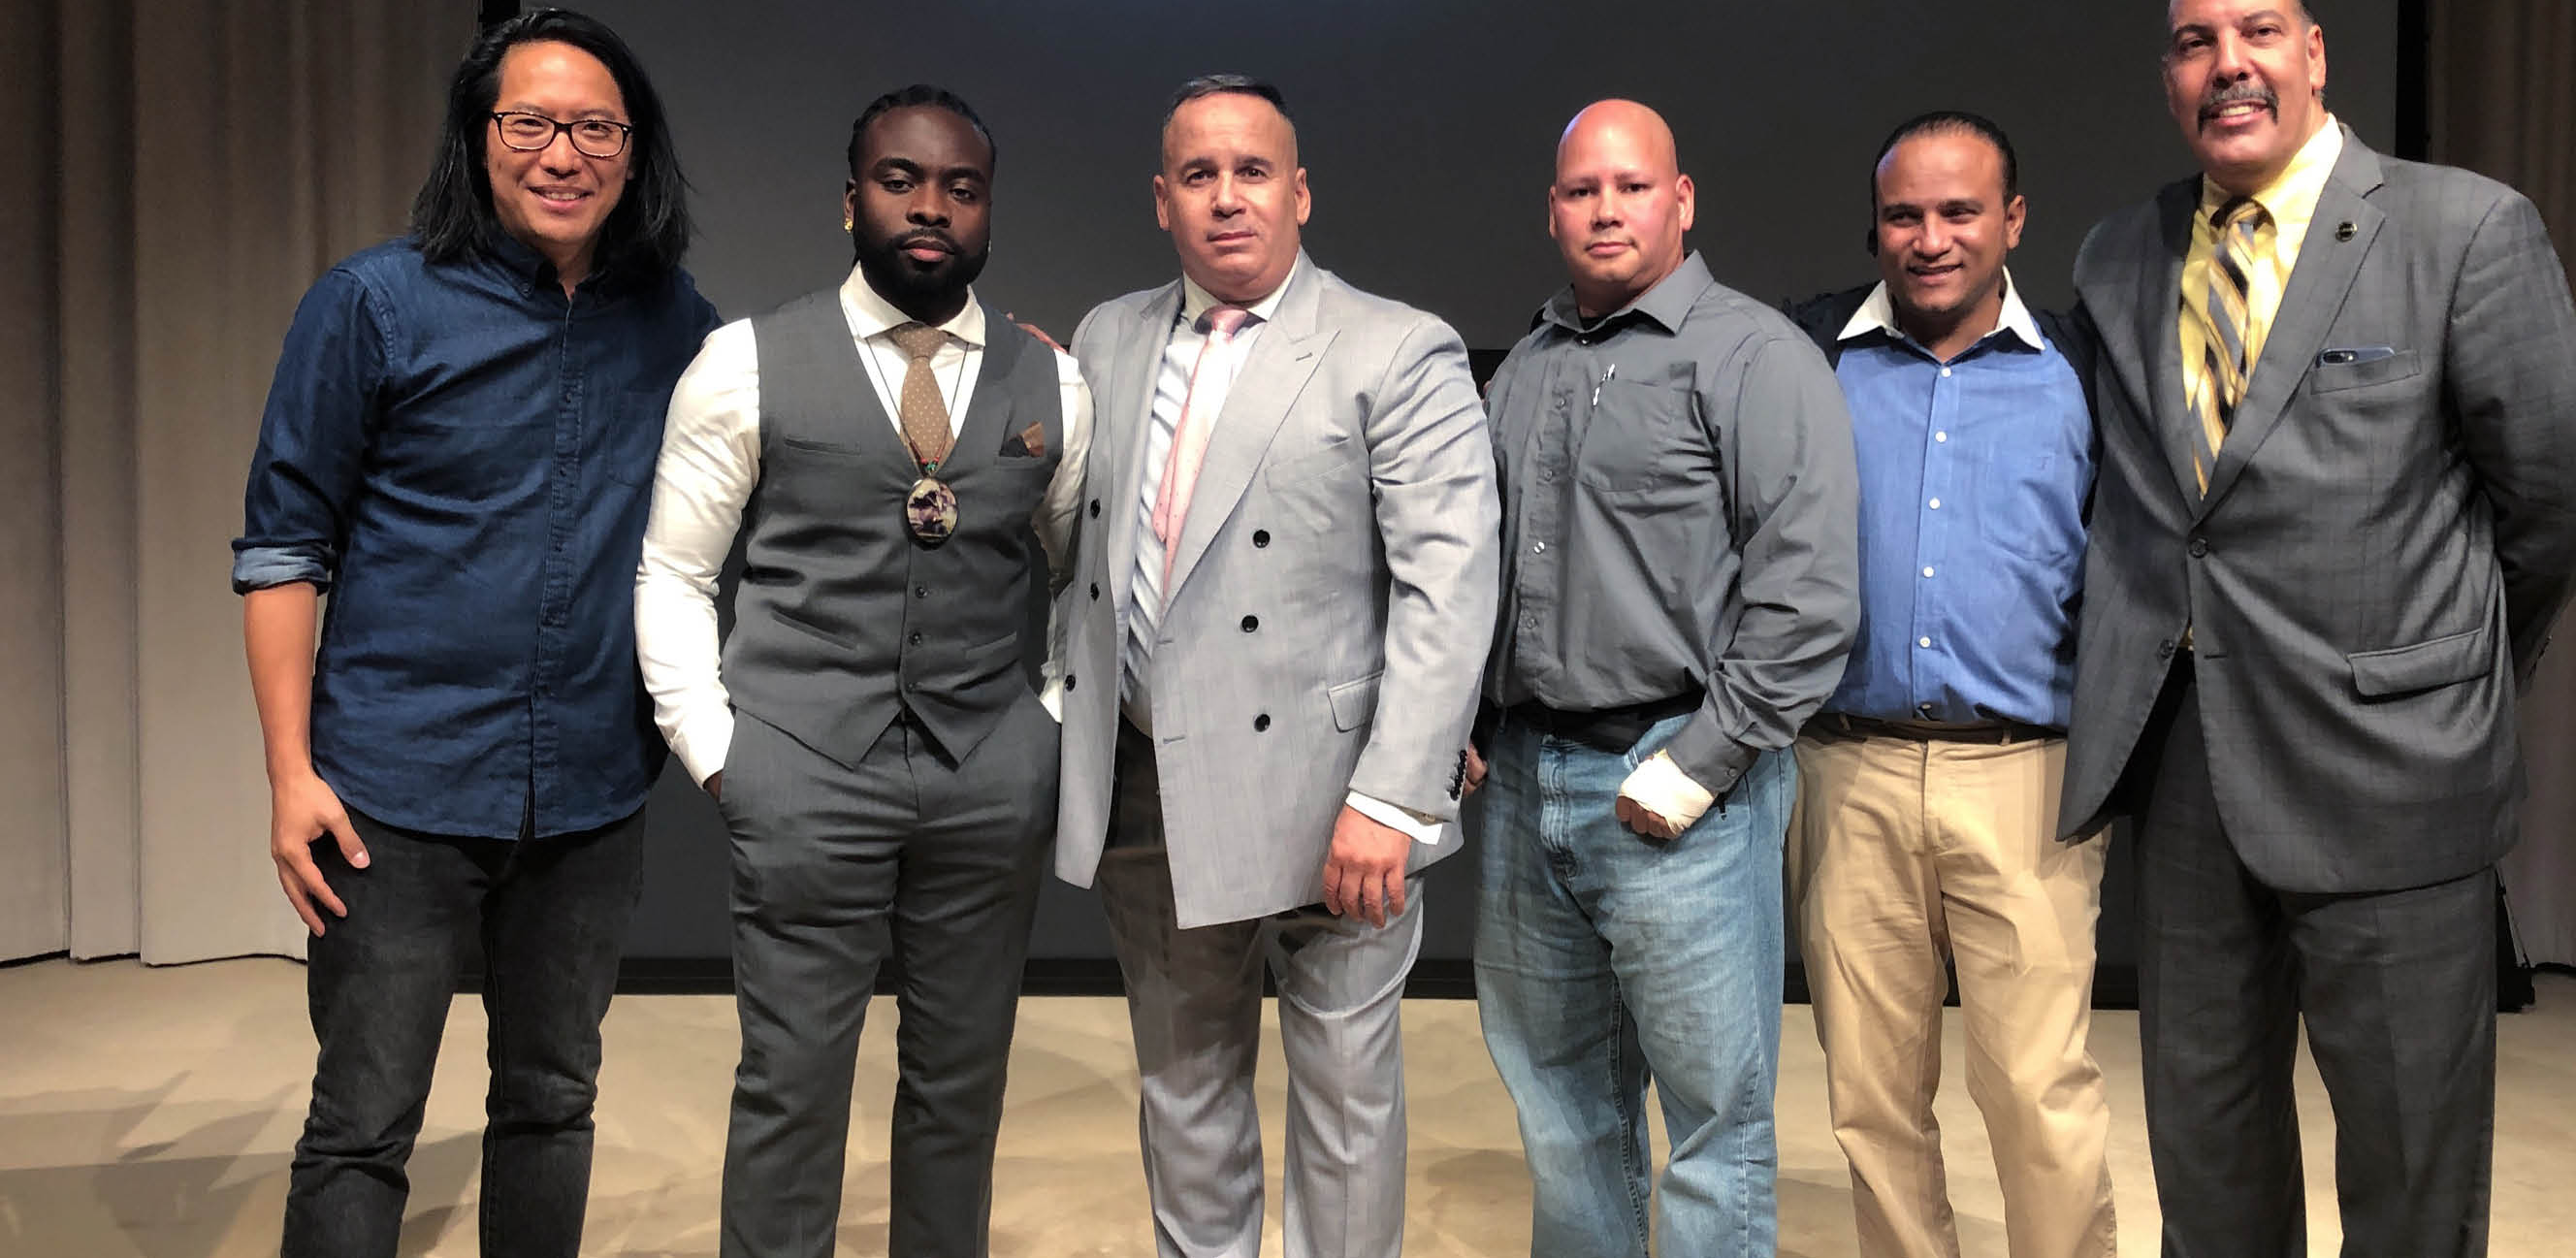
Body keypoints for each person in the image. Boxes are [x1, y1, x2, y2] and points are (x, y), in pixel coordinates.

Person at [2059, 0, 2576, 1256]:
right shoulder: (2118, 255)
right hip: (2192, 774)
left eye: (2258, 32)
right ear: (2170, 80)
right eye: (2198, 44)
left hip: (2395, 776)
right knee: (2207, 1159)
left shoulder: (2462, 229)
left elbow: (2570, 491)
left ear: (2315, 54)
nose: (2230, 65)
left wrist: (2451, 657)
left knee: (2411, 1168)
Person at [234, 7, 716, 1258]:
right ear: (478, 136)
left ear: (634, 148)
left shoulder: (678, 325)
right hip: (388, 789)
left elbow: (785, 463)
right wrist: (289, 773)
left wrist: (993, 364)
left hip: (592, 797)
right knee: (361, 1125)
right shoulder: (372, 303)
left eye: (596, 126)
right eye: (531, 121)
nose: (564, 152)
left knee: (552, 1105)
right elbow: (285, 545)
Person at [632, 84, 1089, 1257]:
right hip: (799, 769)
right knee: (791, 1086)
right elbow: (673, 574)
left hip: (988, 778)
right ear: (850, 202)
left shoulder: (1055, 384)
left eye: (960, 186)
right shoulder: (744, 362)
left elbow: (1086, 585)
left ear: (987, 212)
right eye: (900, 180)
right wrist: (723, 754)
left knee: (960, 1088)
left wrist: (1042, 723)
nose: (930, 206)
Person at [1051, 75, 1498, 1258]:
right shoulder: (1107, 333)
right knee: (1184, 1093)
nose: (1227, 198)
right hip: (1149, 778)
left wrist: (1392, 797)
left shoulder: (1396, 346)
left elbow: (1448, 589)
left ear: (1299, 191)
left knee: (1345, 1103)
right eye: (1198, 175)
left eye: (1253, 172)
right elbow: (1086, 553)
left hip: (1333, 794)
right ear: (1162, 200)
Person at [1470, 98, 1859, 1257]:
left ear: (1680, 200)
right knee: (1562, 1114)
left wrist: (1700, 765)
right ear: (1552, 209)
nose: (1605, 209)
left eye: (1631, 186)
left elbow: (1810, 591)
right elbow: (1487, 569)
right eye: (1582, 189)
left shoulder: (1752, 355)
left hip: (1681, 786)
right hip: (1529, 782)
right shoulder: (1528, 363)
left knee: (1713, 1128)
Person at [1782, 111, 2117, 1258]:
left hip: (2026, 776)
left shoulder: (2081, 368)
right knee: (1871, 1097)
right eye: (1904, 214)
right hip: (1846, 768)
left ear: (2011, 219)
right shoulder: (1810, 354)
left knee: (2036, 1092)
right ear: (1874, 227)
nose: (1931, 237)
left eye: (1959, 210)